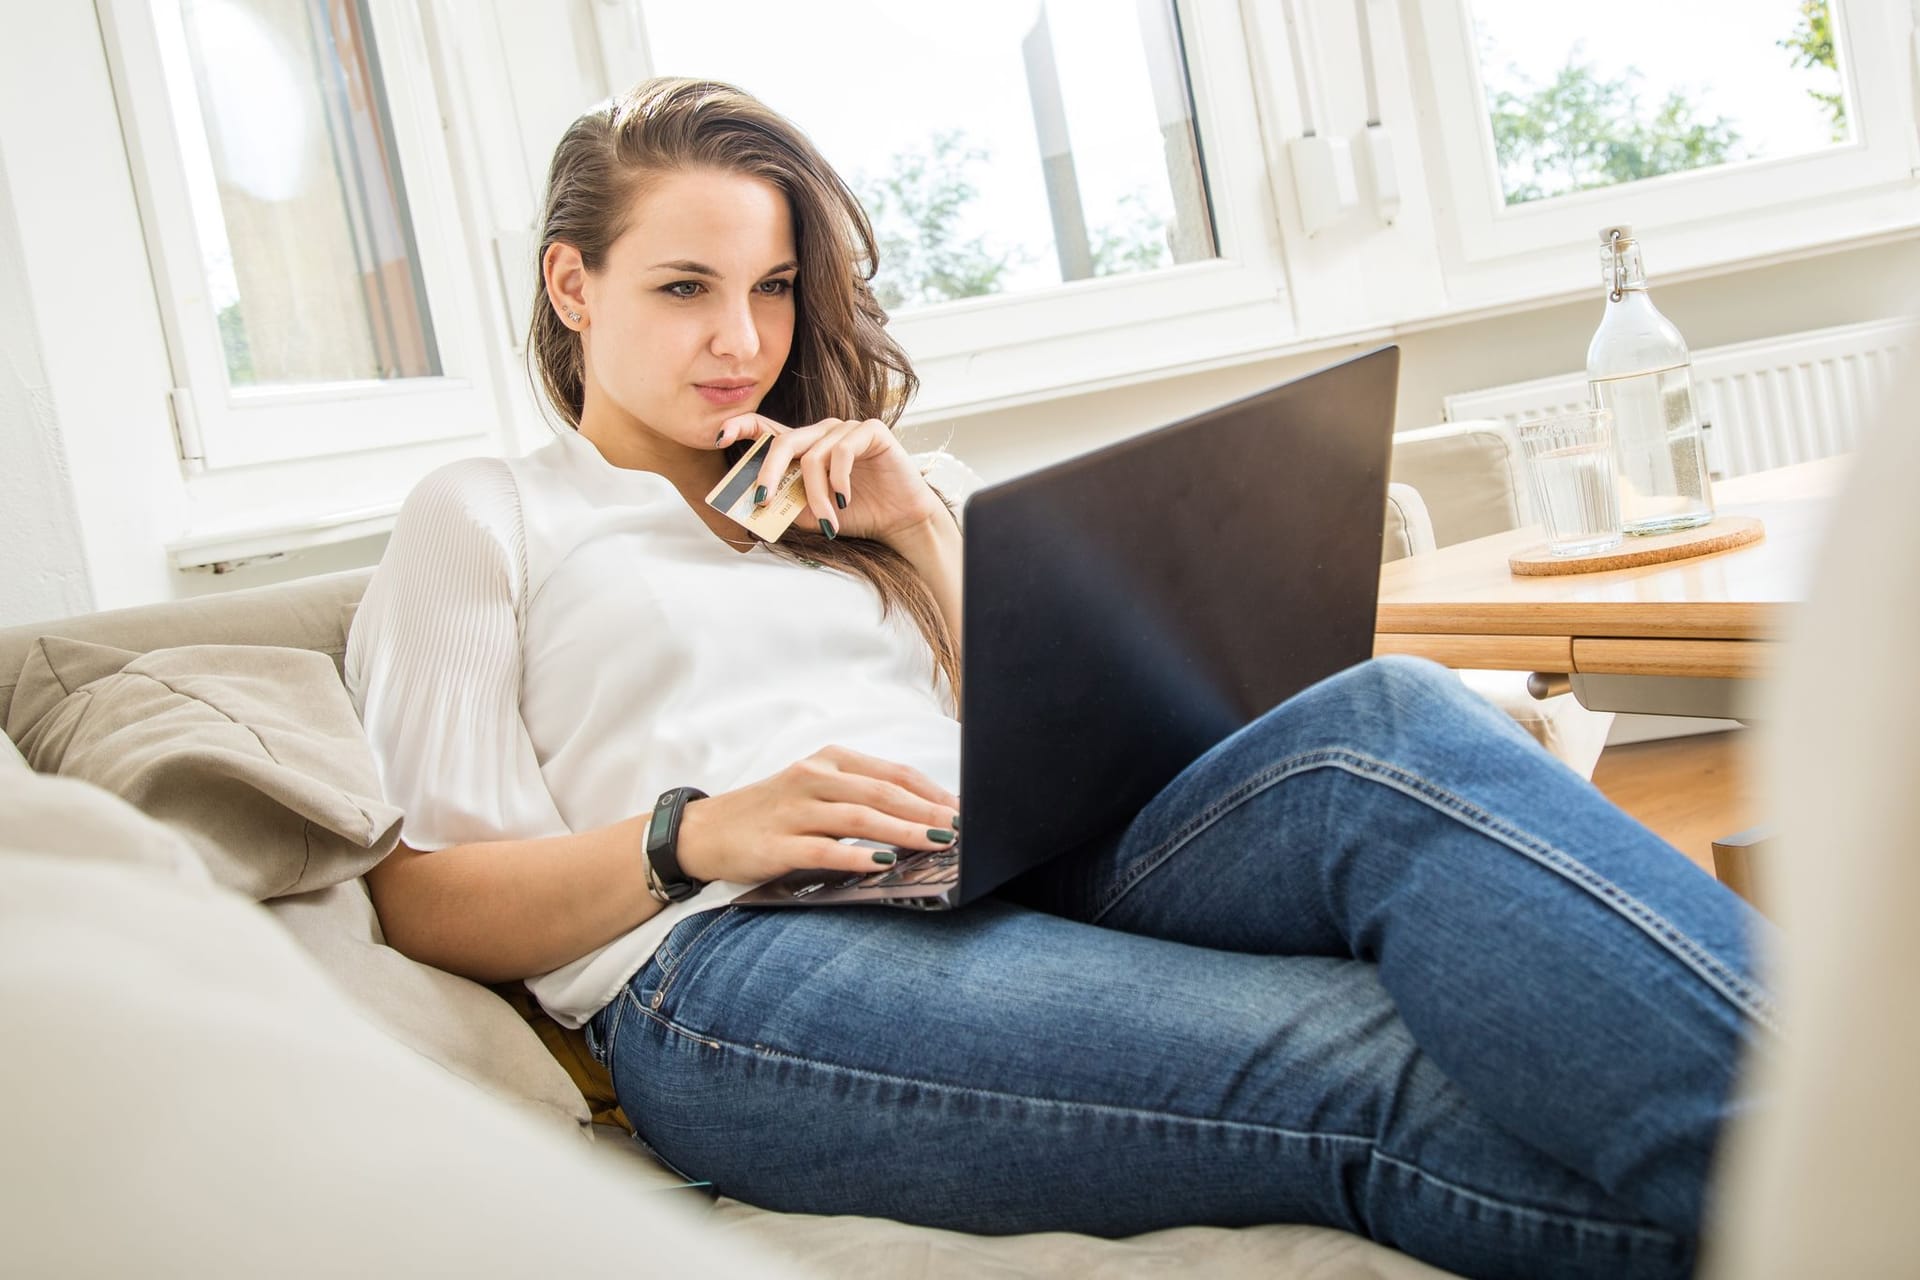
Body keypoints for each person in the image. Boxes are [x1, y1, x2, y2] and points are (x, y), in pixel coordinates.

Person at [346, 78, 1773, 1280]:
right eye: (685, 290)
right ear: (570, 283)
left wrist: (916, 528)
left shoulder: (857, 490)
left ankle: (1857, 1125)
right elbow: (421, 896)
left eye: (774, 288)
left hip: (1012, 850)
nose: (743, 342)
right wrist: (691, 833)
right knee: (1371, 1058)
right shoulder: (487, 518)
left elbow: (1046, 720)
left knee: (1382, 721)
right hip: (742, 962)